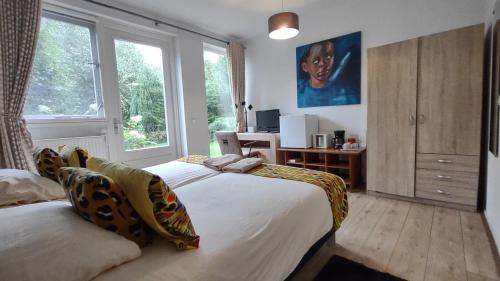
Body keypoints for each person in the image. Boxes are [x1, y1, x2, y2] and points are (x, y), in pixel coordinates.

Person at [297, 39, 359, 107]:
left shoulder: (347, 94)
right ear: (305, 67)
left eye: (328, 57)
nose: (323, 64)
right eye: (316, 61)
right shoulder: (300, 92)